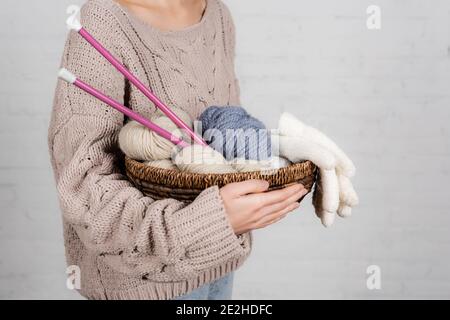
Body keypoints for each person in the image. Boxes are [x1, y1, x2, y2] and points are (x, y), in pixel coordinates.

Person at [48, 0, 307, 300]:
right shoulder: (102, 22)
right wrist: (209, 222)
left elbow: (226, 139)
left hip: (218, 267)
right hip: (142, 288)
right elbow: (85, 189)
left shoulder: (218, 15)